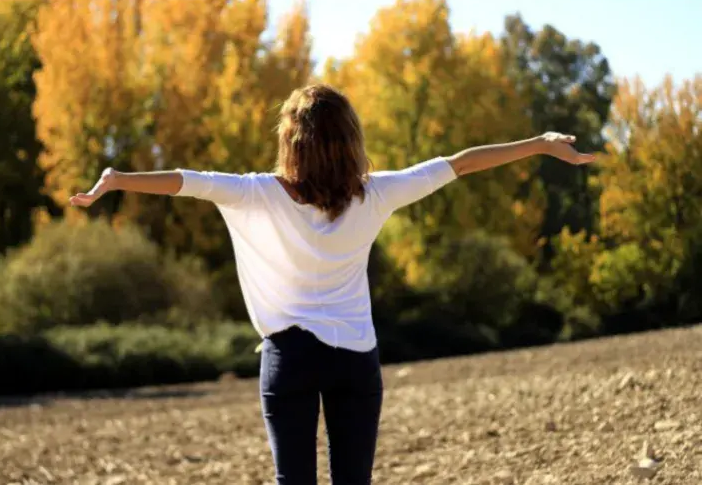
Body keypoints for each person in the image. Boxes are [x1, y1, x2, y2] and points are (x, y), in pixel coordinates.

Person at [70, 84, 595, 485]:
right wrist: (540, 145)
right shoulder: (378, 194)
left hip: (289, 360)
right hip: (355, 359)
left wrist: (117, 180)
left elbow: (185, 181)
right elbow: (460, 165)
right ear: (350, 142)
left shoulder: (256, 194)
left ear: (289, 142)